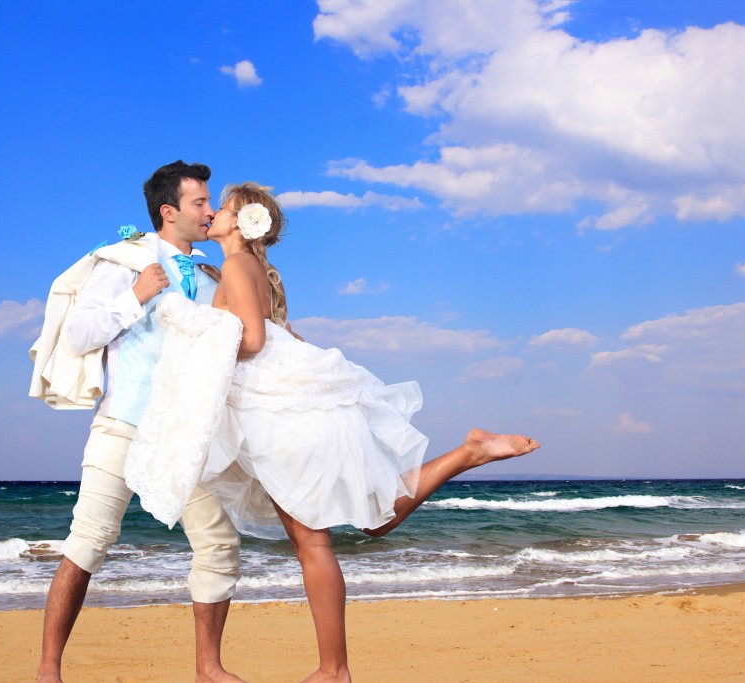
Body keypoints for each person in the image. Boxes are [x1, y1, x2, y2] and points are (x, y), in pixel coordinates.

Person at [126, 182, 540, 683]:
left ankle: (334, 670)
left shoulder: (238, 266)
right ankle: (467, 453)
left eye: (223, 207)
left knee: (314, 542)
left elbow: (253, 339)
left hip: (280, 419)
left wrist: (199, 352)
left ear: (241, 222)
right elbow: (272, 329)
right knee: (366, 522)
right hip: (283, 412)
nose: (211, 212)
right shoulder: (246, 270)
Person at [31, 162, 246, 683]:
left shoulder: (213, 274)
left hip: (185, 434)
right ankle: (48, 670)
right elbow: (79, 334)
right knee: (88, 542)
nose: (210, 211)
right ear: (168, 212)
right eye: (199, 203)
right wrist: (134, 298)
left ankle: (208, 670)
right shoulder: (126, 263)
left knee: (218, 542)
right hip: (124, 423)